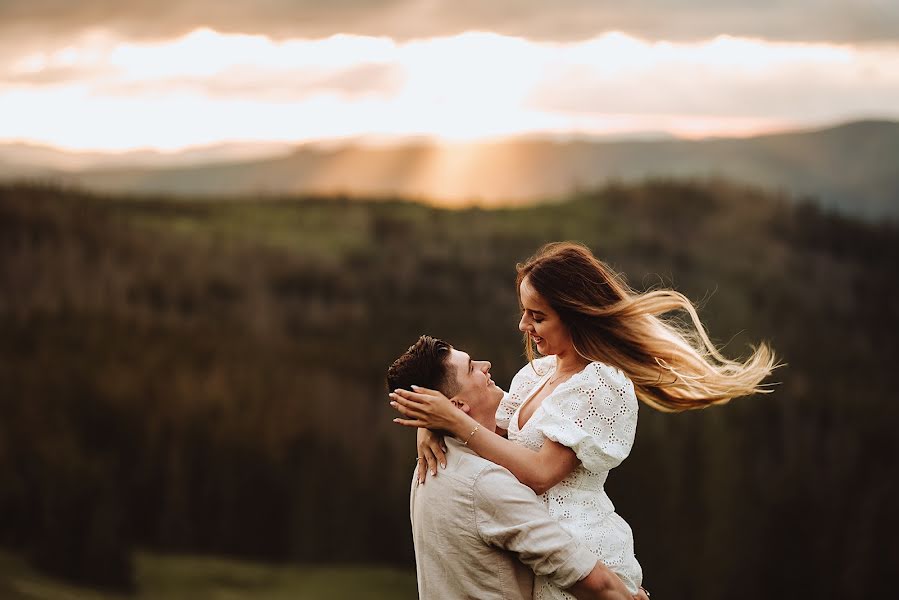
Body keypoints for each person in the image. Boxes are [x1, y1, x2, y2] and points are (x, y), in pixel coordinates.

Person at [390, 242, 778, 599]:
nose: (524, 326)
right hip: (539, 554)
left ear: (573, 316)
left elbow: (541, 472)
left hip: (582, 552)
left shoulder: (600, 385)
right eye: (524, 312)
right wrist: (432, 424)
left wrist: (455, 424)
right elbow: (488, 427)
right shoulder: (535, 376)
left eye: (537, 316)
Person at [386, 335, 647, 600]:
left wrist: (431, 425)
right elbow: (577, 570)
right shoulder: (486, 482)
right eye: (471, 368)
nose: (485, 365)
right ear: (455, 407)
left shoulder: (428, 470)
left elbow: (523, 417)